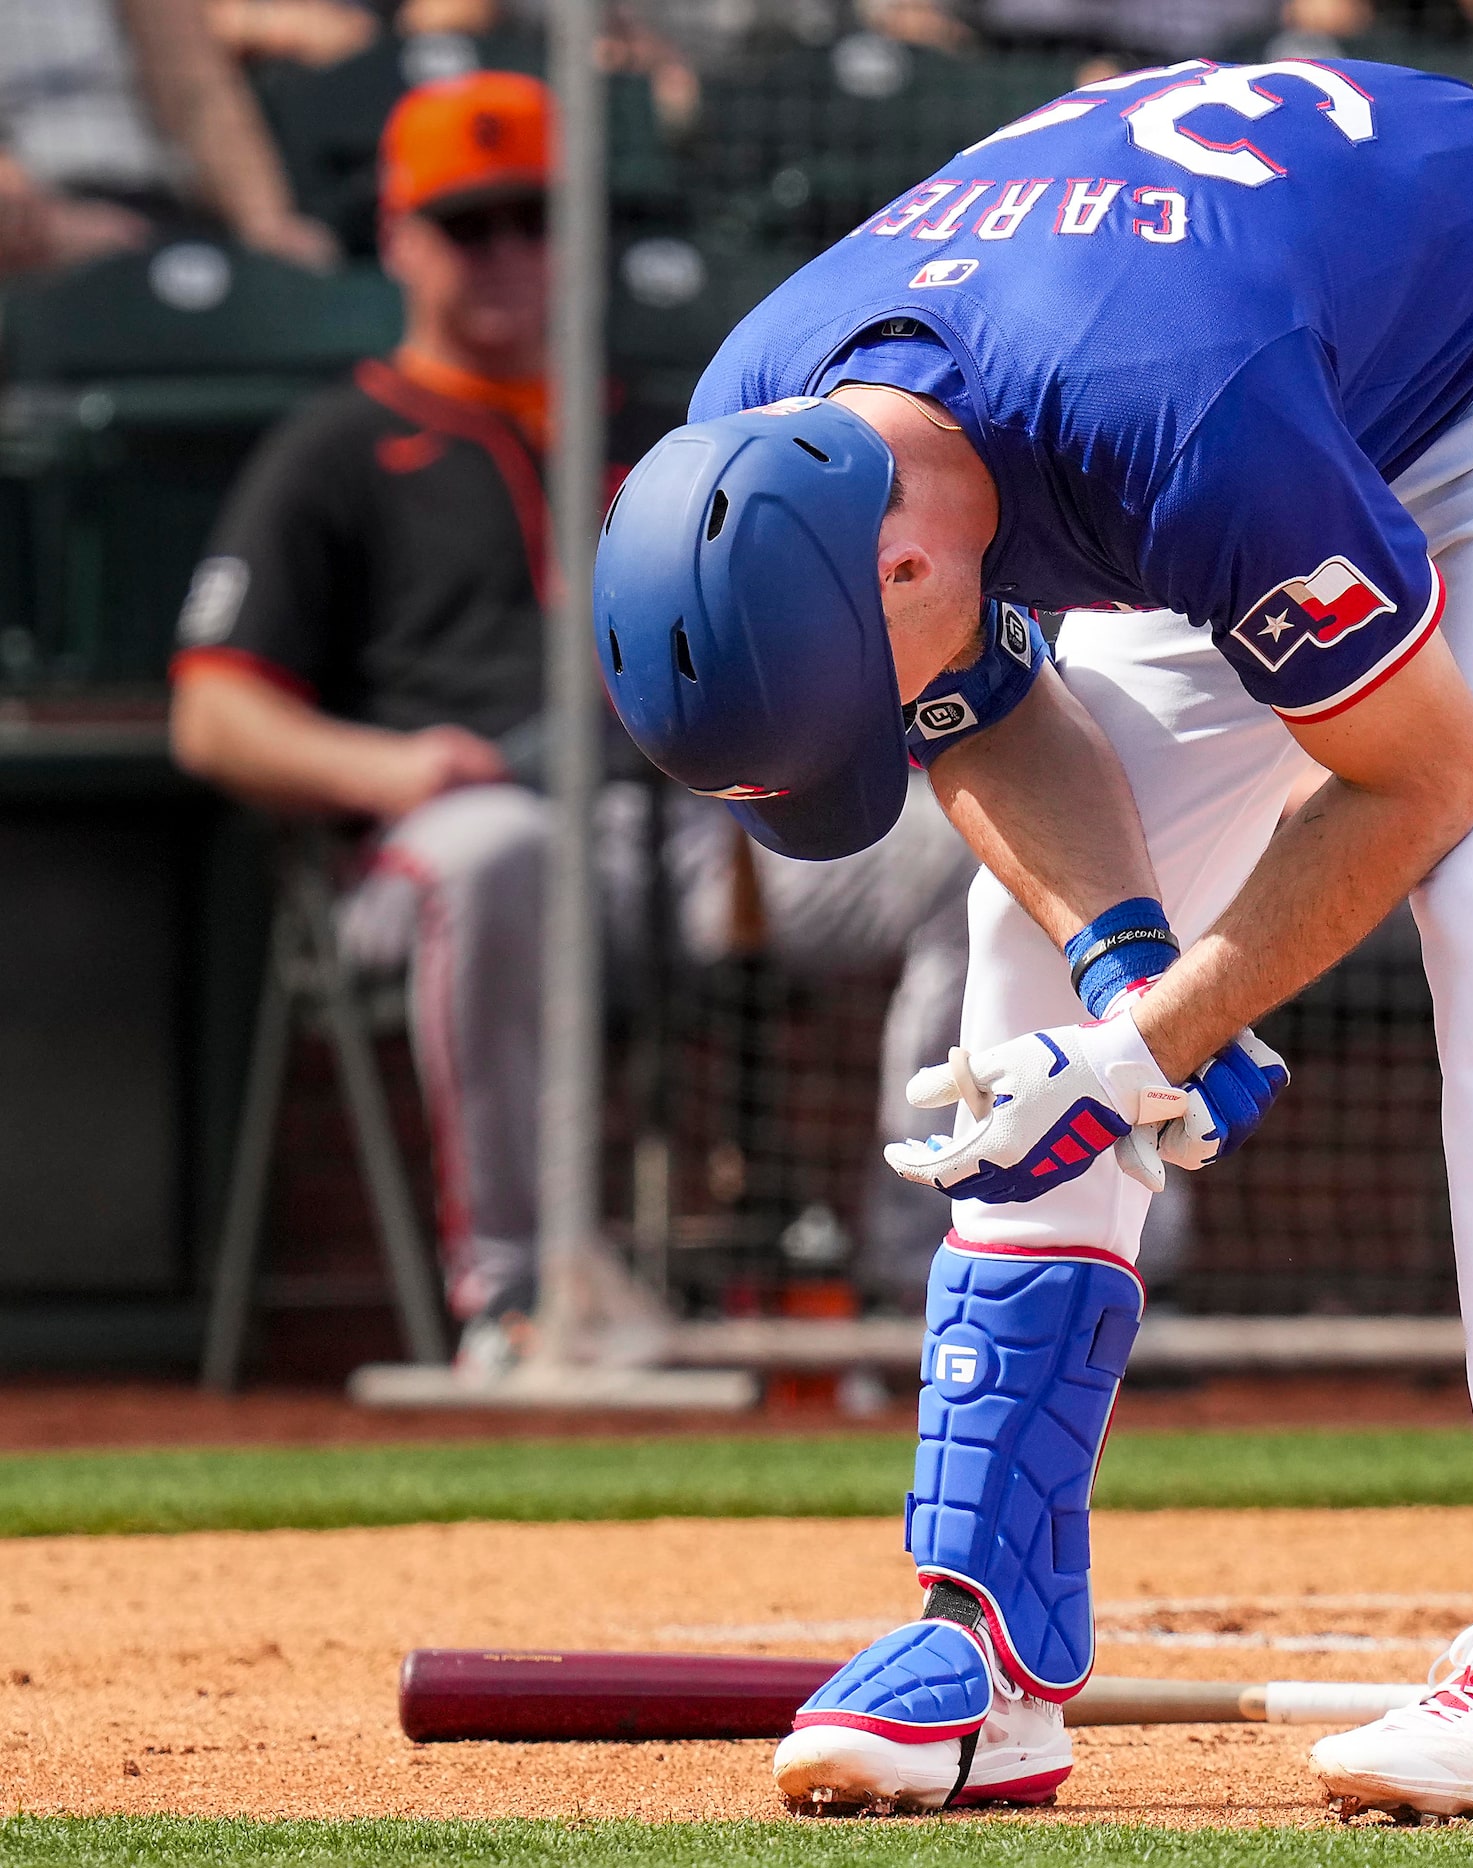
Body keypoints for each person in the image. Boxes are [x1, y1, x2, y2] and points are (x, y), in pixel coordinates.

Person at [597, 61, 1473, 1816]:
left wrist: (1154, 1049)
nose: (872, 743)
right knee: (1023, 944)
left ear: (897, 573)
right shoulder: (772, 427)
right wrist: (1130, 970)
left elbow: (1417, 779)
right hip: (1259, 376)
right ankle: (987, 1639)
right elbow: (973, 706)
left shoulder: (1173, 423)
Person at [167, 71, 976, 1367]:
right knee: (498, 856)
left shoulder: (658, 433)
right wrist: (391, 764)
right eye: (468, 222)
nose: (507, 254)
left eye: (534, 218)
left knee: (956, 849)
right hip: (448, 840)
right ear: (398, 237)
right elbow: (214, 716)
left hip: (672, 826)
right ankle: (517, 1298)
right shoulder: (335, 444)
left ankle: (935, 1278)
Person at [0, 0, 335, 279]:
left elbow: (198, 95)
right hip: (33, 212)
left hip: (155, 208)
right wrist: (41, 221)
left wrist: (267, 225)